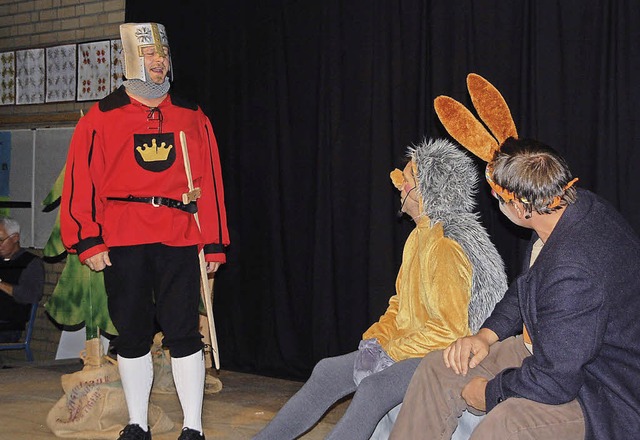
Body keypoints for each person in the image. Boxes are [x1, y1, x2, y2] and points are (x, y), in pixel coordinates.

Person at [253, 138, 507, 440]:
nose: (399, 184)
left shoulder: (446, 245)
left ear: (427, 190)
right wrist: (375, 340)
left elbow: (450, 332)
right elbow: (400, 304)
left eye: (407, 178)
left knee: (374, 390)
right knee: (327, 372)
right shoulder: (419, 237)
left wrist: (389, 352)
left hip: (444, 356)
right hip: (409, 346)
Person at [390, 137, 640, 440]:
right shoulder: (567, 206)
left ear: (522, 207)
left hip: (601, 387)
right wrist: (485, 335)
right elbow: (528, 288)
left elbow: (555, 380)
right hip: (559, 351)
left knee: (505, 424)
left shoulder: (574, 270)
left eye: (498, 198)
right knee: (439, 369)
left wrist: (490, 392)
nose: (496, 204)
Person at [60, 22, 229, 440]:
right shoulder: (100, 118)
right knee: (132, 332)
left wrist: (213, 242)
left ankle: (194, 427)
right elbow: (81, 181)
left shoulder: (191, 115)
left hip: (179, 233)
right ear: (132, 61)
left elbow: (209, 180)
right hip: (124, 237)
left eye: (163, 56)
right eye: (150, 56)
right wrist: (88, 238)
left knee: (184, 331)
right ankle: (137, 424)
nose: (159, 63)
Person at [0, 217, 44, 343]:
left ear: (15, 238)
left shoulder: (31, 263)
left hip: (8, 325)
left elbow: (32, 296)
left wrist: (1, 284)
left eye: (1, 240)